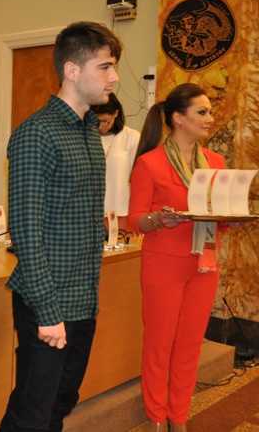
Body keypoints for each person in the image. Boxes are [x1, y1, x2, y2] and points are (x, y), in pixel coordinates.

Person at [0, 21, 122, 432]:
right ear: (72, 70)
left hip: (82, 300)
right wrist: (49, 313)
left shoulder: (89, 132)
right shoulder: (36, 134)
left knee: (60, 404)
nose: (114, 77)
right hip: (47, 303)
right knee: (31, 415)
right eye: (104, 67)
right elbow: (26, 233)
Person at [128, 83, 226, 432]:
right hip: (163, 264)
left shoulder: (215, 163)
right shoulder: (149, 163)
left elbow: (220, 218)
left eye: (210, 111)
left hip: (204, 264)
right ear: (178, 118)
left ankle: (179, 417)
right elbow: (134, 220)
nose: (210, 118)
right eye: (202, 112)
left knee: (190, 345)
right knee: (159, 344)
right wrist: (158, 219)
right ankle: (157, 416)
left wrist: (232, 214)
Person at [91, 92, 140, 222]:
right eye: (97, 121)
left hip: (121, 211)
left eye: (106, 121)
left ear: (116, 114)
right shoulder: (86, 137)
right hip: (90, 212)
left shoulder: (132, 137)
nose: (101, 126)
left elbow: (137, 179)